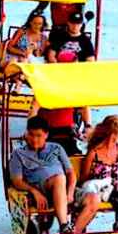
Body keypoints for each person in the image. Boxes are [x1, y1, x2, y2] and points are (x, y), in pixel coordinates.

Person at [28, 11, 95, 155]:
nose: (75, 26)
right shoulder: (50, 86)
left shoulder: (85, 41)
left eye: (78, 23)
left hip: (63, 131)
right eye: (73, 22)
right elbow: (51, 55)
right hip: (50, 132)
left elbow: (91, 62)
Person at [9, 116, 76, 234]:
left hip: (63, 188)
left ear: (46, 134)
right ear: (27, 134)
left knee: (65, 181)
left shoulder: (56, 148)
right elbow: (17, 181)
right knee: (59, 178)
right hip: (38, 187)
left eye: (38, 135)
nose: (34, 139)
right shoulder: (18, 154)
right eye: (31, 135)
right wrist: (35, 192)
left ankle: (70, 229)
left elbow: (70, 172)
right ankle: (64, 225)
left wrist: (70, 192)